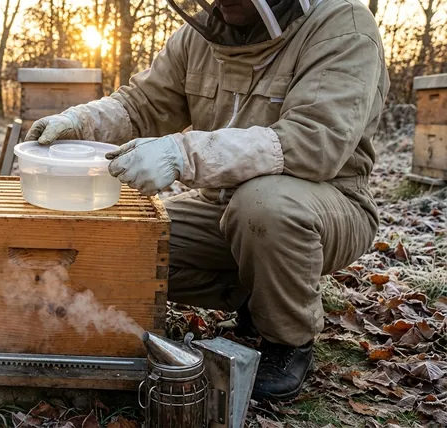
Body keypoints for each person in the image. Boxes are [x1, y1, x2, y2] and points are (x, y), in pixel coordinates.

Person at [25, 0, 389, 401]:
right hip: (220, 205)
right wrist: (79, 122)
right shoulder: (196, 38)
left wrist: (183, 154)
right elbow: (142, 105)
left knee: (264, 206)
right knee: (125, 245)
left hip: (325, 201)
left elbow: (315, 142)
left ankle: (288, 341)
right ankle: (260, 295)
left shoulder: (343, 26)